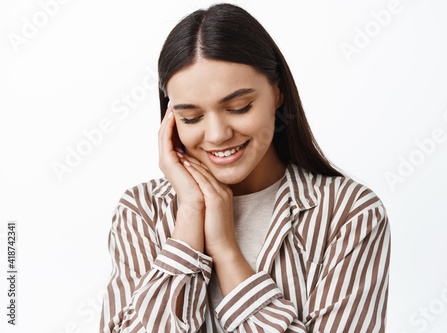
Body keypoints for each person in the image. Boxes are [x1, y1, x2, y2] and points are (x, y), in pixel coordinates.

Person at [99, 3, 391, 332]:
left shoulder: (350, 213)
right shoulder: (141, 212)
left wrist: (226, 251)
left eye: (239, 107)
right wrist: (191, 216)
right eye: (191, 117)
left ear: (278, 93)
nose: (217, 135)